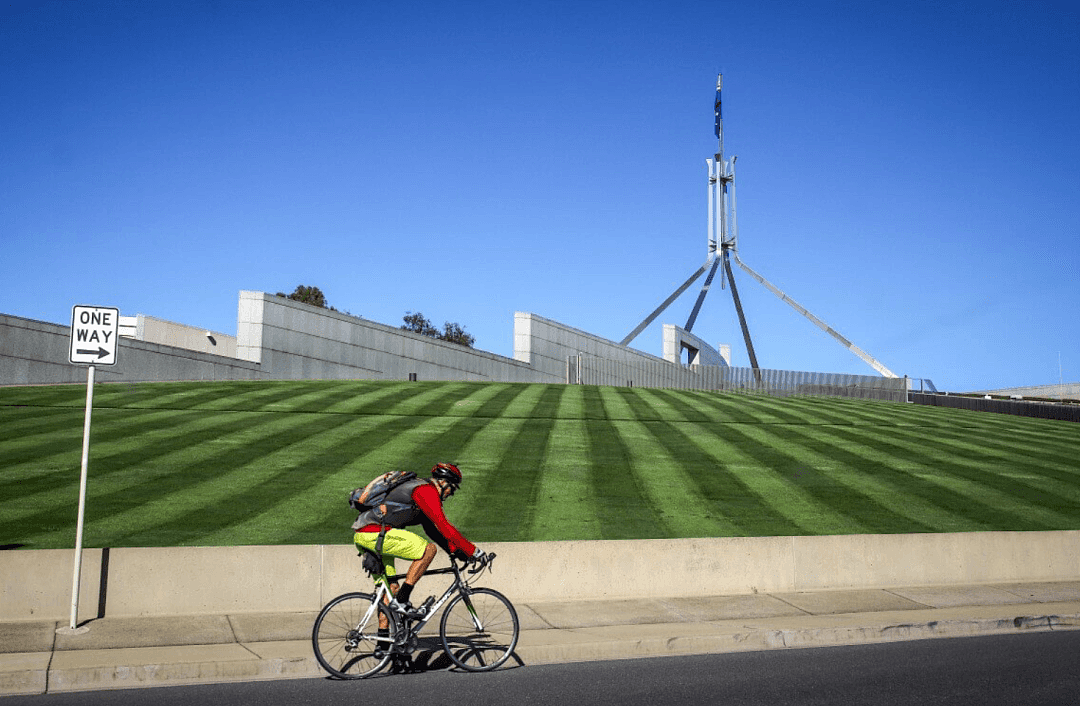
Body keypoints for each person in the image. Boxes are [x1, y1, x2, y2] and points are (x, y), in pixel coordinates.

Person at [352, 462, 485, 619]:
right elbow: (443, 525)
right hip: (376, 533)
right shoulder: (425, 491)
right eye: (452, 488)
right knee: (429, 550)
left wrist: (456, 552)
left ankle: (384, 642)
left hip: (365, 535)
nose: (452, 493)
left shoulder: (420, 489)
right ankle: (402, 600)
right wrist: (474, 551)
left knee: (390, 590)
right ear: (442, 482)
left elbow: (431, 530)